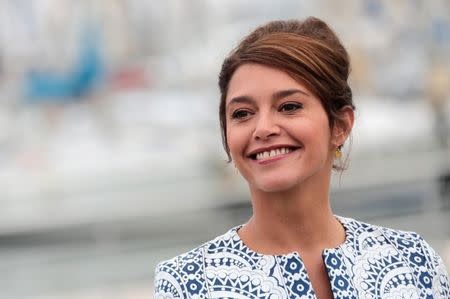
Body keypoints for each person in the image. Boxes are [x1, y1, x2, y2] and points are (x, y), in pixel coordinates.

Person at [154, 17, 450, 298]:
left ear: (340, 125)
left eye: (289, 106)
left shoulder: (413, 262)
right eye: (242, 114)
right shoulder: (188, 284)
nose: (263, 129)